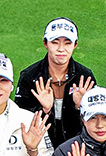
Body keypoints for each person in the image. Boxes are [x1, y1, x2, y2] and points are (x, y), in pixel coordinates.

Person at [15, 18, 97, 148]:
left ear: (75, 45)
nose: (61, 49)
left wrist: (79, 107)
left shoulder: (84, 76)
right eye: (55, 42)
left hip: (76, 146)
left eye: (67, 43)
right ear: (45, 43)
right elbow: (19, 118)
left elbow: (96, 122)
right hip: (40, 145)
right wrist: (44, 110)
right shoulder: (29, 76)